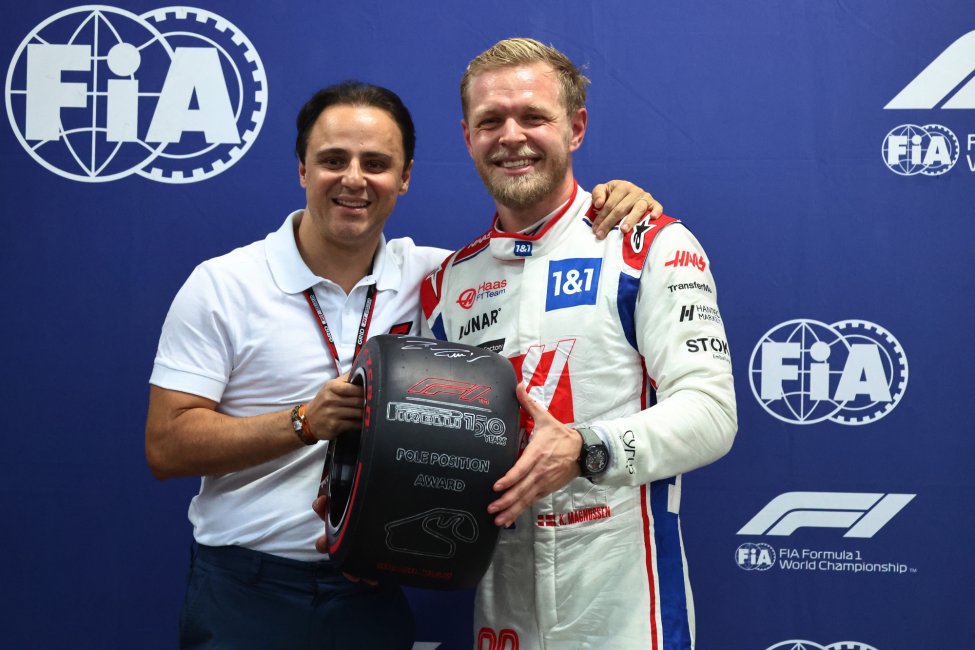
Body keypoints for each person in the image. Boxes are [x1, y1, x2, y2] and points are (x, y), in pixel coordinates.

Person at [145, 79, 662, 649]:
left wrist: (617, 200)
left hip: (372, 585)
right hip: (248, 589)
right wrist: (303, 423)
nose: (354, 180)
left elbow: (535, 256)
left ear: (406, 177)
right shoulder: (224, 285)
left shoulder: (439, 281)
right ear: (302, 170)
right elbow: (167, 446)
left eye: (376, 163)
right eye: (333, 160)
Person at [418, 38, 737, 648]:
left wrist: (586, 448)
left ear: (576, 127)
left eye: (534, 116)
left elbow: (713, 413)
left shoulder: (648, 245)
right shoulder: (445, 285)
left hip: (623, 605)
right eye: (491, 121)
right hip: (501, 605)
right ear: (467, 137)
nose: (512, 136)